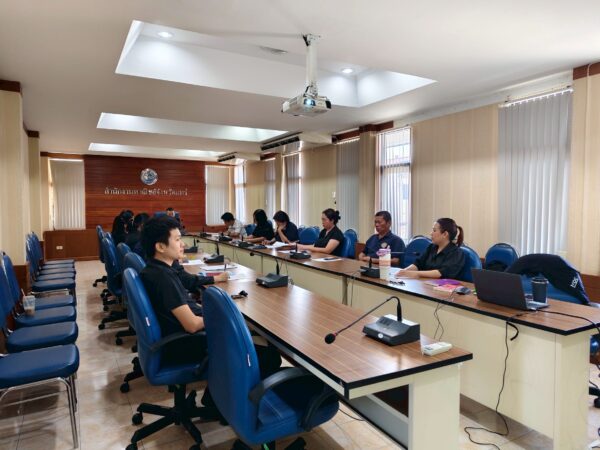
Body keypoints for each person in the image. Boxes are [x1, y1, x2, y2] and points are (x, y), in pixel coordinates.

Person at [139, 216, 229, 366]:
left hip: (183, 336)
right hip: (188, 344)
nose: (183, 244)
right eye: (177, 240)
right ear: (160, 247)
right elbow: (192, 325)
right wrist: (223, 316)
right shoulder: (163, 278)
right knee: (264, 355)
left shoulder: (157, 269)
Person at [395, 217, 465, 279]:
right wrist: (404, 271)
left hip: (442, 287)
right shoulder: (432, 247)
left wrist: (415, 273)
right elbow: (418, 264)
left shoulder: (456, 253)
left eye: (434, 230)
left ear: (445, 234)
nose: (431, 233)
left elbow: (441, 273)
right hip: (425, 283)